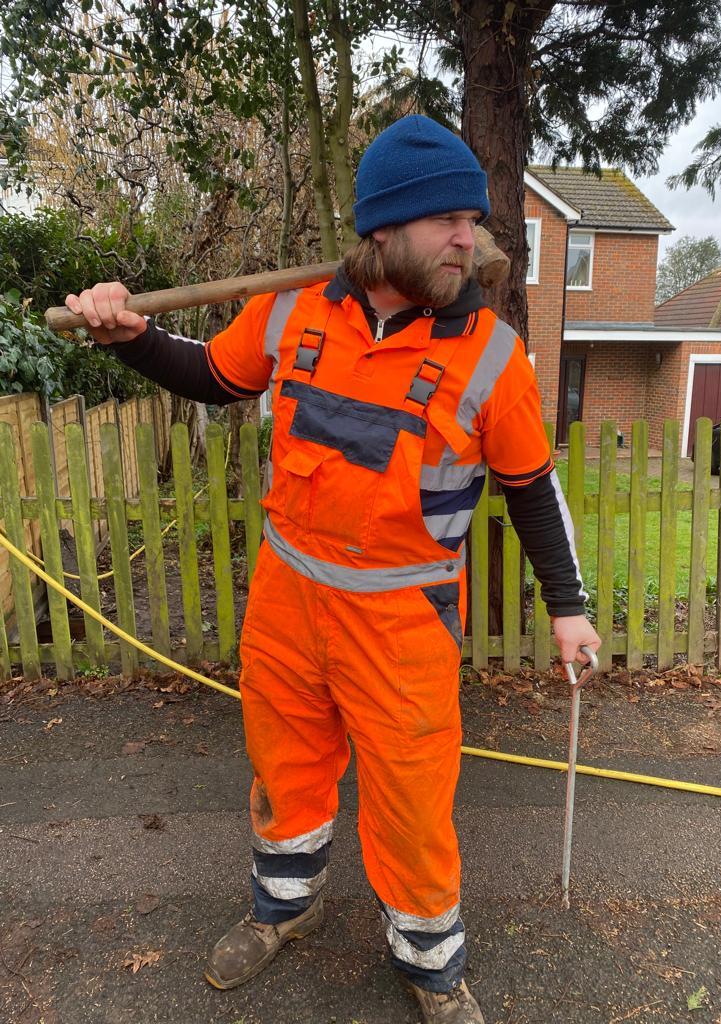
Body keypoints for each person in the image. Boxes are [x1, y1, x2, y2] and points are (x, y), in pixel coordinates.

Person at [66, 114, 600, 1024]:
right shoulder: (293, 308)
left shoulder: (493, 356)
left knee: (412, 803)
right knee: (287, 767)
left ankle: (431, 967)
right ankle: (286, 907)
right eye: (445, 220)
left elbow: (531, 489)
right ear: (383, 228)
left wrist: (570, 605)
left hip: (403, 623)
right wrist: (124, 337)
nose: (467, 238)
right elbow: (214, 377)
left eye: (471, 221)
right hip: (288, 598)